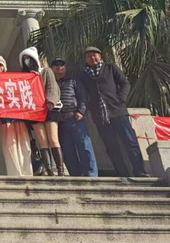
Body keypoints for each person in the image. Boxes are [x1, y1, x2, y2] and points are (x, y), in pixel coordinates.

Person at [80, 46, 149, 177]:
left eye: (95, 55)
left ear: (100, 56)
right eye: (89, 56)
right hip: (100, 116)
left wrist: (121, 98)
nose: (92, 58)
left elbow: (125, 83)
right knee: (111, 147)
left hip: (117, 111)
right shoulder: (84, 75)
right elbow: (84, 94)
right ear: (85, 59)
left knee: (130, 141)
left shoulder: (110, 68)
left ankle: (139, 170)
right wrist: (89, 109)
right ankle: (122, 173)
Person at [19, 46, 63, 176]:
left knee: (53, 139)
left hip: (49, 110)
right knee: (42, 140)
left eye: (29, 58)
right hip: (34, 111)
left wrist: (50, 101)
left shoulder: (46, 71)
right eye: (24, 59)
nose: (27, 61)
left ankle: (60, 169)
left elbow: (52, 87)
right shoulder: (24, 77)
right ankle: (49, 170)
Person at [51, 58, 98, 177]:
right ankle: (76, 176)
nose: (59, 67)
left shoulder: (73, 81)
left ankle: (91, 175)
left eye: (62, 65)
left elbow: (83, 97)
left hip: (75, 118)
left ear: (65, 68)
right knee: (67, 152)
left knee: (85, 147)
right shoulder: (50, 85)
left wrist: (81, 111)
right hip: (60, 122)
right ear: (52, 68)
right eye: (56, 65)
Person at [0, 55, 32, 176]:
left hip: (18, 115)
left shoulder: (13, 79)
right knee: (10, 146)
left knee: (24, 144)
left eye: (0, 65)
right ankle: (15, 173)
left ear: (5, 67)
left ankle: (27, 172)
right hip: (5, 117)